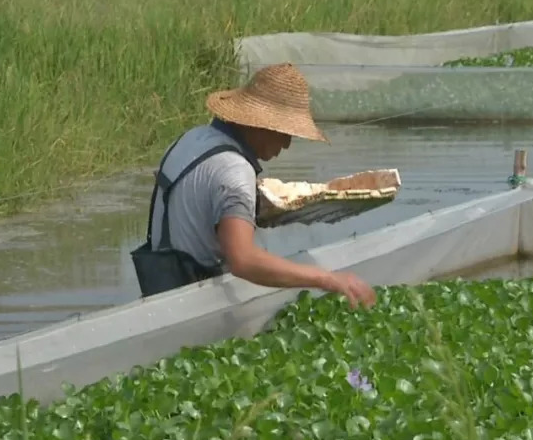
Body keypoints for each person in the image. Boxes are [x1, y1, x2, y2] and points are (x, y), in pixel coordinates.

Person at [130, 62, 377, 309]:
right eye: (284, 132)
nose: (287, 144)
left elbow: (197, 202)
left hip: (160, 291)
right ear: (258, 124)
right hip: (193, 304)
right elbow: (243, 260)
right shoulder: (235, 171)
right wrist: (326, 278)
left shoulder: (192, 139)